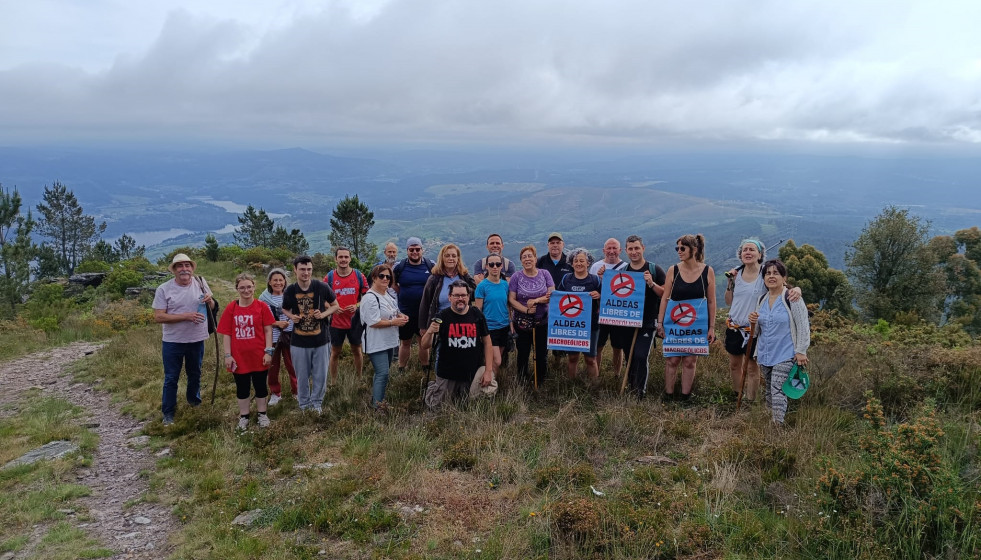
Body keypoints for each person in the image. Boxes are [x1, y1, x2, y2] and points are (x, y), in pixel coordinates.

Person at [723, 240, 802, 402]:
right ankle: (736, 395)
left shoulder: (764, 274)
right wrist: (729, 282)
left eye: (752, 249)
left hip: (754, 329)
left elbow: (783, 287)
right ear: (740, 254)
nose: (748, 252)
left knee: (752, 367)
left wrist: (797, 289)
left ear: (760, 255)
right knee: (734, 365)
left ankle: (750, 400)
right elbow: (728, 301)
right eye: (745, 250)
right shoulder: (736, 274)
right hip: (734, 326)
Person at [152, 253, 215, 425]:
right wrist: (186, 316)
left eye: (187, 265)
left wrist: (210, 301)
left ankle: (194, 402)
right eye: (180, 266)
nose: (184, 269)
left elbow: (212, 306)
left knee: (195, 373)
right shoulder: (164, 289)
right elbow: (158, 317)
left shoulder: (201, 283)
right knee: (172, 377)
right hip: (173, 341)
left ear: (192, 268)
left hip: (197, 338)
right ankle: (168, 412)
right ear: (174, 270)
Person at [748, 259, 810, 424]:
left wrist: (801, 351)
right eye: (768, 273)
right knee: (769, 389)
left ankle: (777, 426)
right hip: (766, 353)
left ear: (784, 277)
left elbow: (803, 325)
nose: (771, 276)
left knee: (777, 389)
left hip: (786, 353)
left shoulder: (792, 297)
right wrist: (752, 321)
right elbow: (755, 334)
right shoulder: (761, 299)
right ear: (764, 279)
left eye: (776, 273)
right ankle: (772, 419)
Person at [657, 234, 716, 402]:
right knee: (672, 359)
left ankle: (685, 397)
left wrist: (711, 327)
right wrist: (660, 323)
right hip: (673, 324)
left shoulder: (707, 271)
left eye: (682, 248)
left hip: (696, 325)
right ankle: (668, 395)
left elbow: (711, 301)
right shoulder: (673, 270)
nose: (679, 252)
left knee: (690, 360)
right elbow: (665, 298)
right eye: (677, 248)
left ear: (694, 250)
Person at [420, 280, 496, 408]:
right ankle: (434, 388)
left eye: (463, 295)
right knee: (438, 407)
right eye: (456, 295)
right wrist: (430, 332)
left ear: (468, 297)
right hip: (447, 373)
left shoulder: (477, 314)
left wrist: (488, 370)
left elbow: (487, 342)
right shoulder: (442, 316)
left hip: (471, 371)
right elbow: (425, 345)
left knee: (471, 405)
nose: (460, 299)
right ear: (450, 297)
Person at [217, 273, 276, 430]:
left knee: (260, 385)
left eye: (249, 286)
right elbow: (226, 333)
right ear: (237, 289)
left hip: (259, 355)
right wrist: (228, 355)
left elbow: (268, 331)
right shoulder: (232, 308)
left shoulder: (262, 306)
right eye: (242, 287)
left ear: (254, 287)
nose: (246, 290)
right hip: (239, 357)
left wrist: (268, 351)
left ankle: (262, 414)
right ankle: (244, 417)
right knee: (242, 387)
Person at [282, 255, 339, 413]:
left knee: (320, 375)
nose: (306, 273)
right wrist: (291, 316)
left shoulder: (321, 287)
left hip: (321, 340)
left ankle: (316, 404)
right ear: (295, 270)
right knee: (302, 376)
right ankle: (304, 405)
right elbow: (284, 308)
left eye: (308, 269)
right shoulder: (290, 290)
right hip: (299, 342)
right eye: (302, 269)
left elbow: (335, 306)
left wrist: (324, 314)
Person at [617, 235, 667, 398]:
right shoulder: (623, 272)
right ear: (626, 251)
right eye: (630, 249)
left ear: (643, 248)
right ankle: (631, 387)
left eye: (637, 248)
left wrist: (651, 283)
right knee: (629, 357)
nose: (634, 252)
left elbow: (665, 294)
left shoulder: (654, 269)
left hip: (647, 321)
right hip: (626, 321)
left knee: (640, 355)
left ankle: (640, 392)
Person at [360, 264, 408, 410]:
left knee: (382, 373)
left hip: (388, 341)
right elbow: (373, 321)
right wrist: (394, 322)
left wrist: (401, 316)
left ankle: (377, 399)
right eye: (381, 276)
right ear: (374, 278)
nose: (385, 279)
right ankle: (377, 407)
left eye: (388, 276)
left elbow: (394, 311)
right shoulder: (370, 298)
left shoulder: (387, 295)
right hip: (376, 342)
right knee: (383, 373)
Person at [510, 245, 554, 386]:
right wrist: (526, 309)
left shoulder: (545, 274)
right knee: (523, 353)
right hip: (521, 322)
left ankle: (539, 381)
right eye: (524, 257)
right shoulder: (516, 277)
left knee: (541, 353)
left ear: (535, 258)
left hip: (542, 321)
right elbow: (511, 299)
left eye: (530, 256)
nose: (527, 259)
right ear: (521, 261)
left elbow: (552, 295)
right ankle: (522, 380)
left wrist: (536, 300)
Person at [557, 248, 602, 382]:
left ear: (588, 263)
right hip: (572, 325)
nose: (579, 263)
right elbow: (559, 299)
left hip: (591, 325)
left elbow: (606, 299)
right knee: (572, 357)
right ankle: (571, 385)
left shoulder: (595, 280)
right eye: (575, 261)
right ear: (572, 263)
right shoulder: (566, 279)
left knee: (590, 358)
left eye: (582, 260)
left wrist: (599, 295)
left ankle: (594, 387)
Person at [325, 247, 368, 382]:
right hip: (336, 322)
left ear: (350, 258)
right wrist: (333, 308)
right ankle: (333, 381)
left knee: (357, 350)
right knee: (335, 352)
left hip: (354, 321)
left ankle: (359, 378)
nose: (343, 260)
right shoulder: (329, 277)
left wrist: (356, 306)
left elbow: (367, 297)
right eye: (340, 257)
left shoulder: (358, 275)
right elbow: (322, 299)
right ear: (335, 259)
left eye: (346, 257)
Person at [393, 237, 434, 371]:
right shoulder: (400, 266)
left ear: (422, 250)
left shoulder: (430, 265)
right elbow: (393, 284)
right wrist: (402, 294)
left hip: (424, 313)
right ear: (407, 251)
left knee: (423, 342)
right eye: (412, 249)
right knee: (405, 342)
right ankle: (401, 368)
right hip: (405, 312)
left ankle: (425, 366)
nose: (415, 252)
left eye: (417, 249)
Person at [591, 238, 629, 378]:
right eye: (609, 248)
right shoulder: (595, 267)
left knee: (617, 347)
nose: (612, 251)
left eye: (615, 248)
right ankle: (596, 374)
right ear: (604, 250)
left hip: (618, 314)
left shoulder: (626, 267)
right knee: (598, 346)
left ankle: (616, 375)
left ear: (620, 250)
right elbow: (592, 289)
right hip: (599, 313)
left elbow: (625, 292)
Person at [258, 268, 295, 406]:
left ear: (285, 281)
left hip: (290, 334)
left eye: (281, 280)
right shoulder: (263, 299)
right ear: (269, 282)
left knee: (293, 364)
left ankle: (296, 391)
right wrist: (276, 323)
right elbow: (260, 319)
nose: (278, 283)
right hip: (271, 337)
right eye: (275, 280)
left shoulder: (291, 295)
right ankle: (275, 393)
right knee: (273, 366)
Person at [419, 243, 476, 326]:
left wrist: (465, 291)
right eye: (447, 256)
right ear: (442, 258)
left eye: (453, 256)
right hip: (441, 322)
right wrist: (423, 326)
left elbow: (476, 294)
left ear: (458, 258)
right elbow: (425, 303)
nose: (451, 258)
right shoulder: (434, 279)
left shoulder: (465, 276)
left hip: (463, 322)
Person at [474, 253, 511, 373]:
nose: (495, 266)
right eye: (491, 264)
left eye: (498, 264)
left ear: (501, 266)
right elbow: (478, 310)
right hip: (489, 328)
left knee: (496, 362)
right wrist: (479, 330)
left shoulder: (505, 285)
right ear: (486, 267)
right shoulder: (482, 286)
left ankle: (491, 384)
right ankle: (487, 383)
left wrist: (511, 324)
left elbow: (507, 305)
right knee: (497, 361)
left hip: (504, 327)